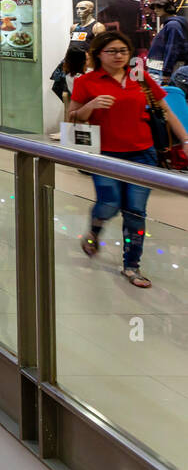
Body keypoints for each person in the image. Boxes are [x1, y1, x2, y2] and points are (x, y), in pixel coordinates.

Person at [69, 30, 188, 288]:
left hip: (142, 154)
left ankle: (131, 265)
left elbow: (165, 110)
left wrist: (185, 140)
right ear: (99, 54)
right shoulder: (87, 82)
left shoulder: (140, 78)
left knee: (135, 212)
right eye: (111, 51)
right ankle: (95, 228)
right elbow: (72, 117)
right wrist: (90, 107)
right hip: (104, 155)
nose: (119, 56)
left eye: (123, 51)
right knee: (109, 203)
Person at [147, 0, 188, 81]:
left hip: (160, 69)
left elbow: (172, 49)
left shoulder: (173, 25)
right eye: (154, 8)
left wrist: (166, 72)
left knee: (158, 93)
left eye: (159, 7)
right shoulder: (170, 24)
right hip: (159, 68)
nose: (155, 10)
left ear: (167, 7)